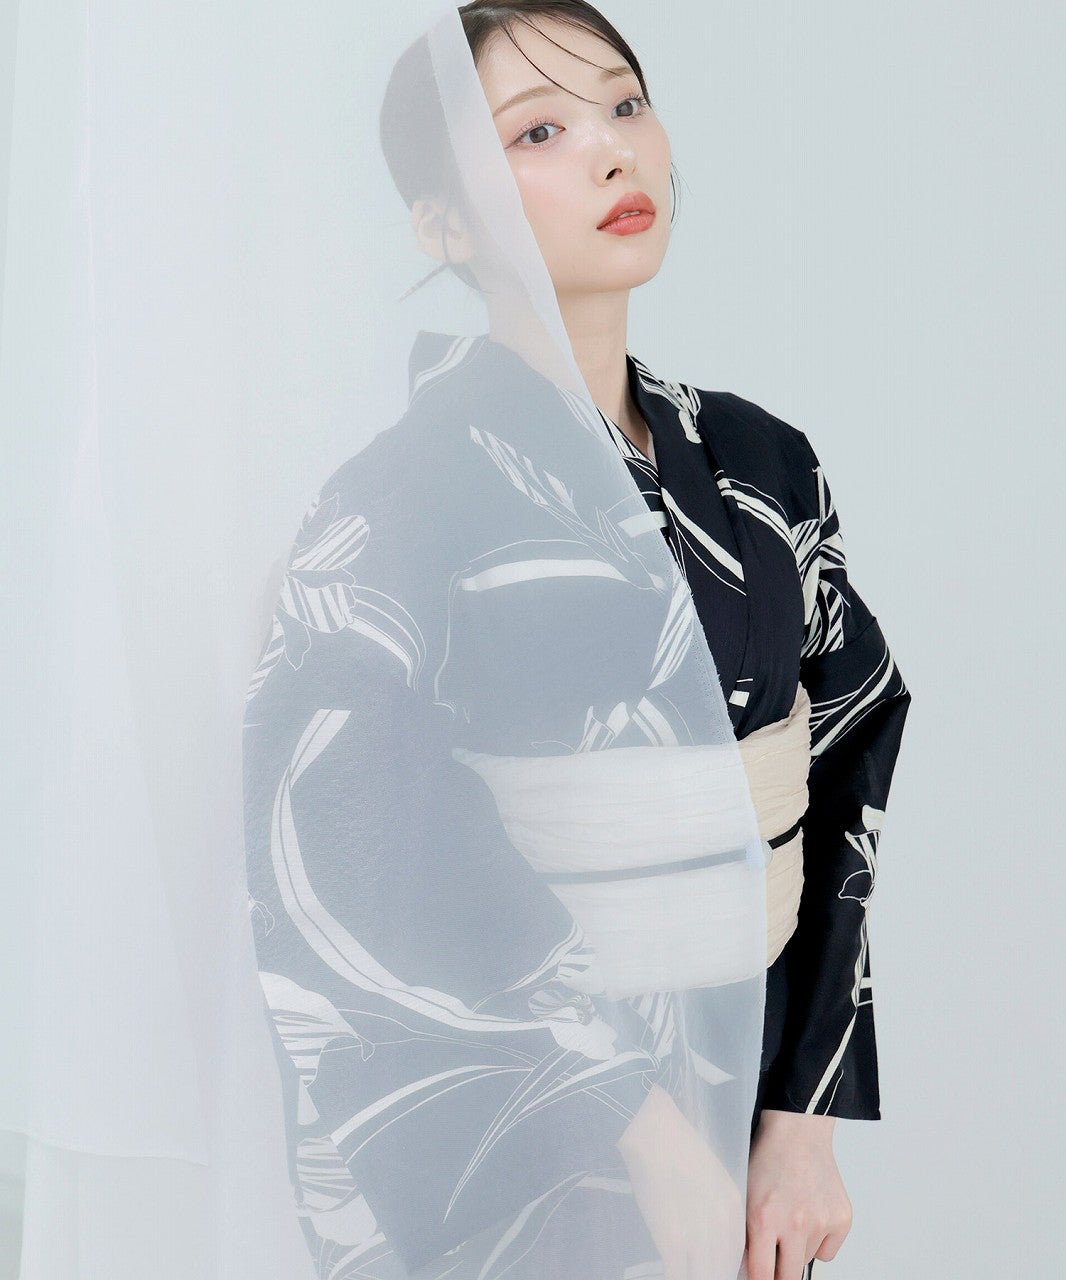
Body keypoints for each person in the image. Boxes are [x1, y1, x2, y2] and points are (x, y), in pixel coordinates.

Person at [242, 4, 911, 1279]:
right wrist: (638, 1126)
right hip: (532, 1127)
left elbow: (846, 756)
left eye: (623, 103)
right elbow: (342, 841)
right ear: (442, 224)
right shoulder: (397, 498)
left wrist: (801, 1116)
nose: (613, 150)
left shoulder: (764, 464)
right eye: (536, 131)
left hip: (744, 1081)